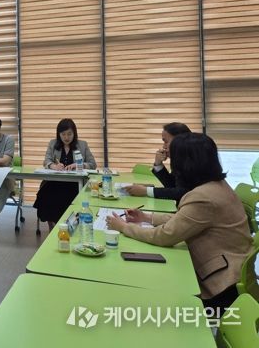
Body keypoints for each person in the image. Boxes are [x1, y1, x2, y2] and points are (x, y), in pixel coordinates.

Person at [107, 133, 253, 314]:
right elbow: (185, 219)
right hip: (235, 274)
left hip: (221, 287)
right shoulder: (218, 186)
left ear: (186, 164)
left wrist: (123, 227)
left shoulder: (203, 196)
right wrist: (146, 217)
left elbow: (165, 236)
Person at [33, 119, 96, 230]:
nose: (66, 137)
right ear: (59, 134)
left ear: (74, 133)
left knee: (66, 197)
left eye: (69, 134)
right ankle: (52, 227)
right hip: (54, 182)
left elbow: (93, 164)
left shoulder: (82, 145)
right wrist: (53, 166)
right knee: (45, 195)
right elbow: (46, 161)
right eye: (63, 134)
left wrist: (79, 165)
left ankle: (68, 227)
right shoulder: (53, 143)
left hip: (75, 185)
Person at [124, 122, 191, 203]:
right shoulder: (179, 159)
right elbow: (172, 185)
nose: (164, 146)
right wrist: (158, 164)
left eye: (166, 142)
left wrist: (146, 191)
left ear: (179, 141)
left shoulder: (192, 161)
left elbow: (182, 192)